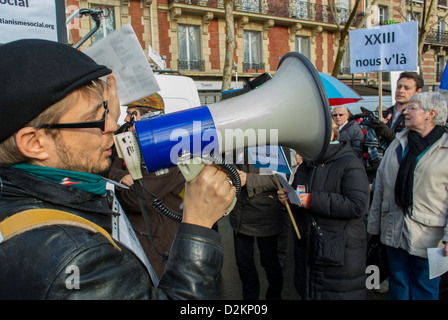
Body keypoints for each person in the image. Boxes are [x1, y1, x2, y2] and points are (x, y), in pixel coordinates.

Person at [0, 39, 235, 299]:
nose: (112, 125)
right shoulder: (75, 259)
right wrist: (198, 226)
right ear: (35, 143)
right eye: (94, 117)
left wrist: (100, 107)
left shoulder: (28, 194)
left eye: (107, 112)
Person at [367, 92, 448, 300]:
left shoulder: (445, 149)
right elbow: (380, 188)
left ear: (431, 114)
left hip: (431, 239)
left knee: (425, 290)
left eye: (413, 108)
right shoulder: (398, 143)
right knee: (398, 286)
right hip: (394, 233)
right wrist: (374, 229)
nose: (406, 111)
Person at [278, 120, 370, 300]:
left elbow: (358, 205)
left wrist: (312, 200)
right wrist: (289, 199)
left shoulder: (350, 162)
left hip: (338, 256)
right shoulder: (307, 165)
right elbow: (300, 196)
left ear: (330, 135)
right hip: (309, 252)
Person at [108, 93, 185, 278]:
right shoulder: (133, 144)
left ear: (148, 115)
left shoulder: (168, 151)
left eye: (130, 113)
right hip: (137, 236)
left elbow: (136, 199)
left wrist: (121, 182)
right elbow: (109, 169)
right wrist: (122, 177)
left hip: (158, 242)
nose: (126, 119)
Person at [229, 148, 286, 300]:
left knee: (269, 262)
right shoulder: (236, 143)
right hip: (240, 216)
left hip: (265, 215)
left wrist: (248, 179)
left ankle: (274, 295)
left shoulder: (271, 144)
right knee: (243, 263)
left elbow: (280, 179)